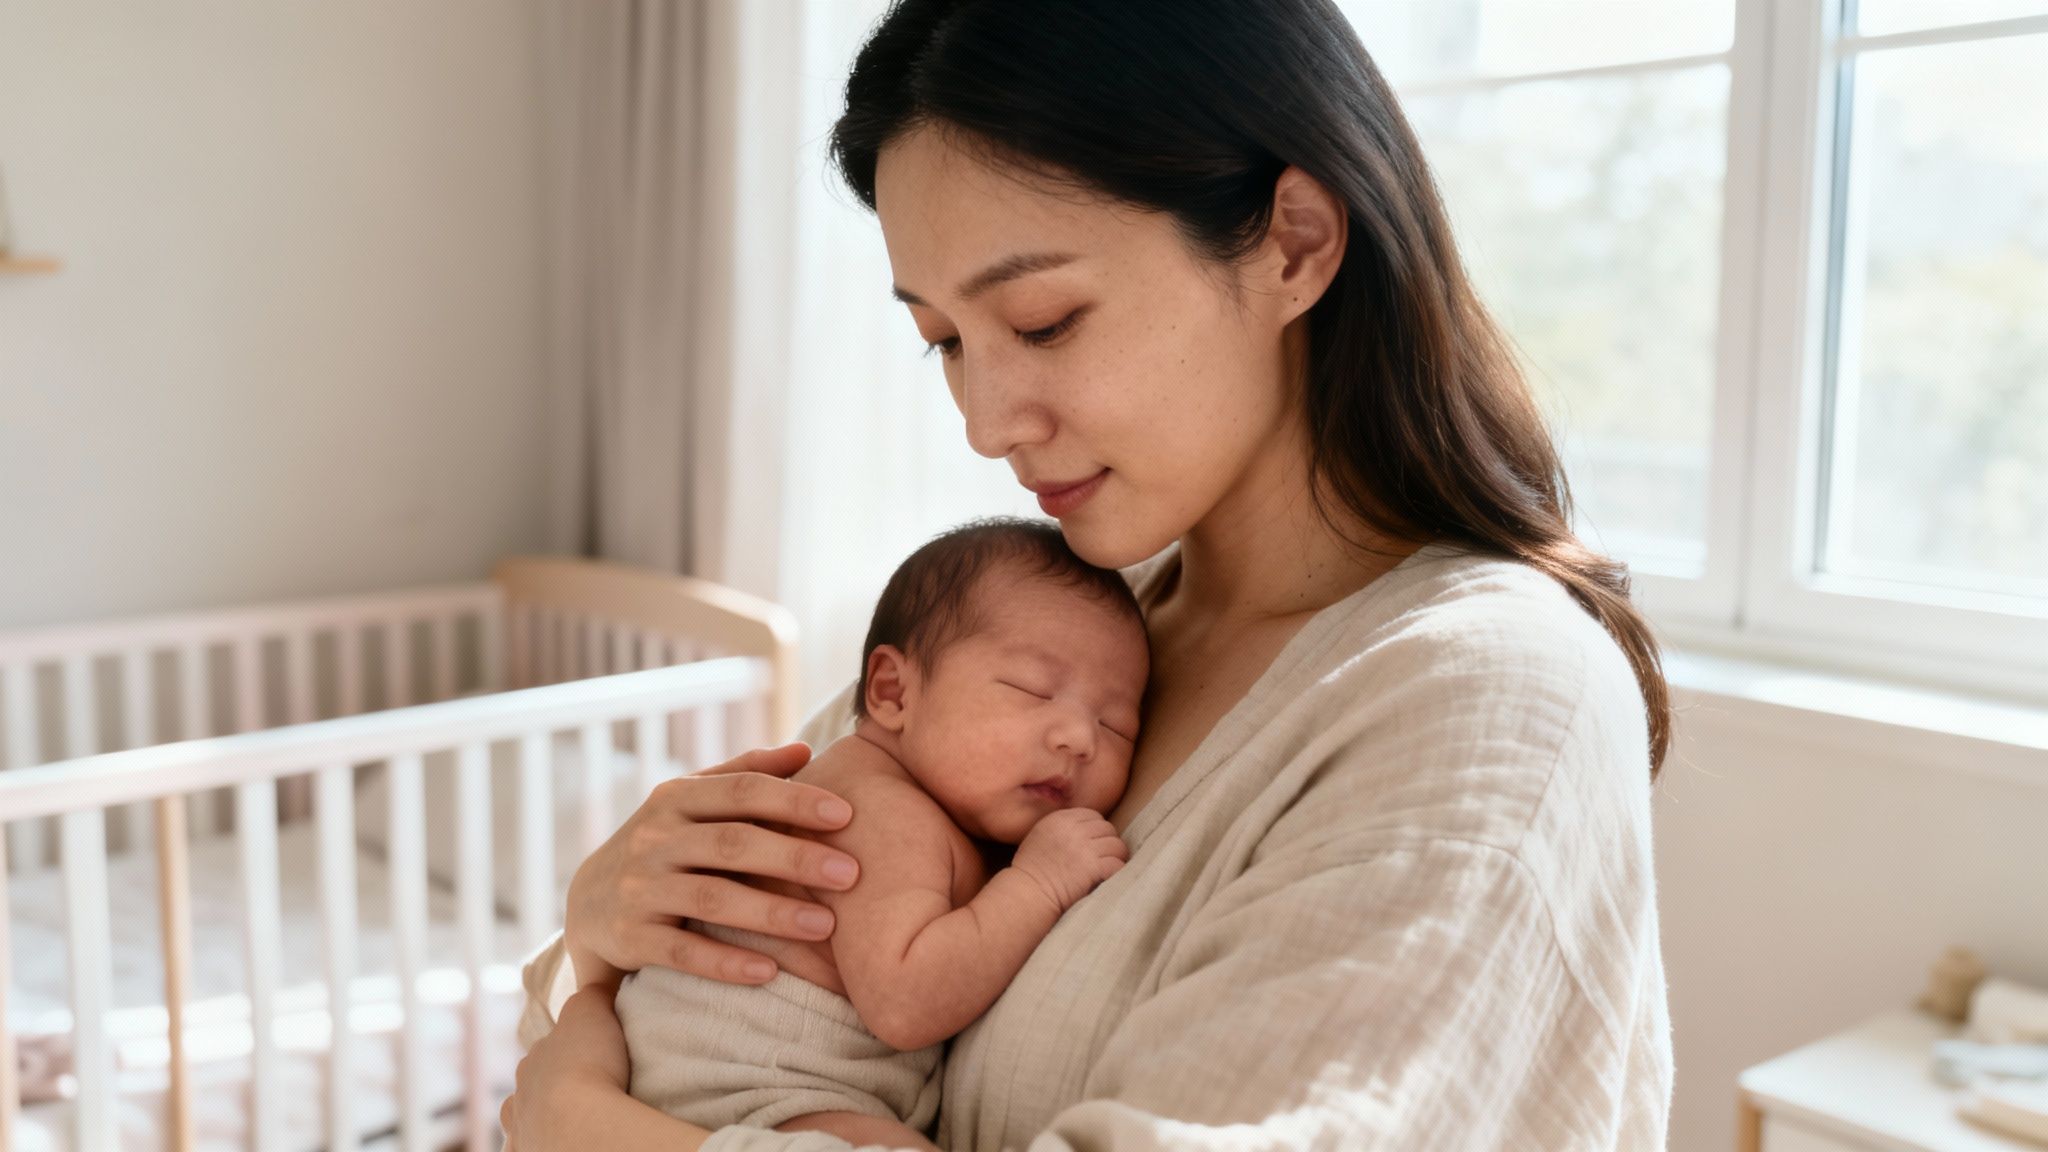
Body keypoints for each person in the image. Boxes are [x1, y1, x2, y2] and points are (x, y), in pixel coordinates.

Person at [501, 0, 1674, 1148]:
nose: (986, 422)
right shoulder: (1043, 623)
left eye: (1044, 321)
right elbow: (611, 999)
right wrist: (601, 919)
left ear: (1295, 244)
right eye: (944, 344)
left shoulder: (1482, 692)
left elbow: (571, 1096)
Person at [614, 519, 1148, 1149]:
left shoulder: (925, 796)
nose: (1080, 739)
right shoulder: (879, 811)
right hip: (740, 1093)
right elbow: (906, 1004)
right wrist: (1037, 883)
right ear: (893, 691)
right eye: (1032, 689)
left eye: (1116, 726)